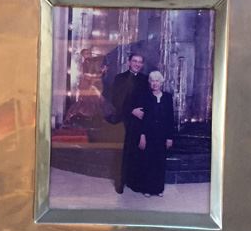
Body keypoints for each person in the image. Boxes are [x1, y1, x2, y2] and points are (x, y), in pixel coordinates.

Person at [110, 53, 149, 193]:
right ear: (129, 62)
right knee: (122, 154)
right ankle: (120, 183)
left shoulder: (146, 80)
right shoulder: (119, 78)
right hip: (123, 120)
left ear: (142, 64)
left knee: (136, 152)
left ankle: (134, 182)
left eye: (140, 62)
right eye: (135, 61)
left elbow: (147, 101)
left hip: (139, 121)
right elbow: (115, 100)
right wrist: (131, 110)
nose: (137, 64)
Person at [135, 70, 175, 197]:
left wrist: (169, 137)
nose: (155, 83)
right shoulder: (144, 97)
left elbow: (170, 118)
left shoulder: (168, 97)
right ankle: (147, 188)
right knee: (148, 161)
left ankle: (158, 189)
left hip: (162, 135)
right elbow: (141, 119)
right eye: (152, 81)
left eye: (157, 81)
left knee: (160, 162)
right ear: (149, 83)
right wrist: (142, 136)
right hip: (148, 134)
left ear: (161, 83)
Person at [63, 48, 108, 125]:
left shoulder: (92, 61)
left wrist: (101, 71)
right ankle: (69, 116)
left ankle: (101, 119)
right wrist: (99, 74)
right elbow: (87, 75)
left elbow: (95, 73)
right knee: (86, 101)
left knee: (96, 101)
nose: (88, 55)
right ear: (83, 55)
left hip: (91, 84)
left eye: (88, 53)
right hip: (87, 84)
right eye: (86, 54)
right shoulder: (85, 63)